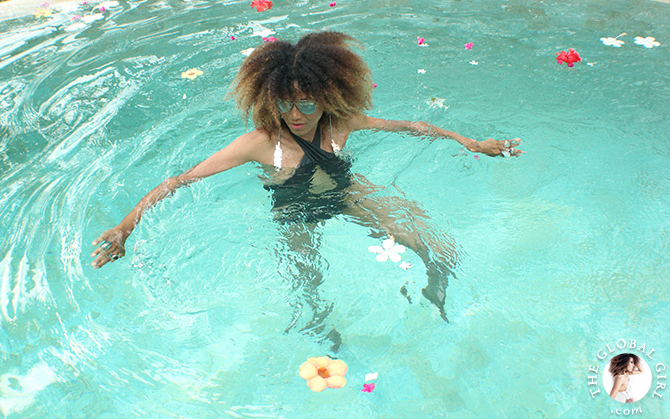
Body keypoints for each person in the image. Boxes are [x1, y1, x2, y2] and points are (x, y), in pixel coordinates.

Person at [90, 31, 522, 344]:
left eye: (308, 104)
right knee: (308, 279)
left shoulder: (342, 122)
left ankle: (436, 287)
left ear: (328, 96)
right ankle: (320, 325)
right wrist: (126, 226)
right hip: (294, 210)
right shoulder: (258, 143)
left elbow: (412, 126)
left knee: (429, 242)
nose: (296, 115)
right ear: (269, 98)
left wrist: (472, 143)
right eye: (284, 103)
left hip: (345, 191)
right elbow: (179, 182)